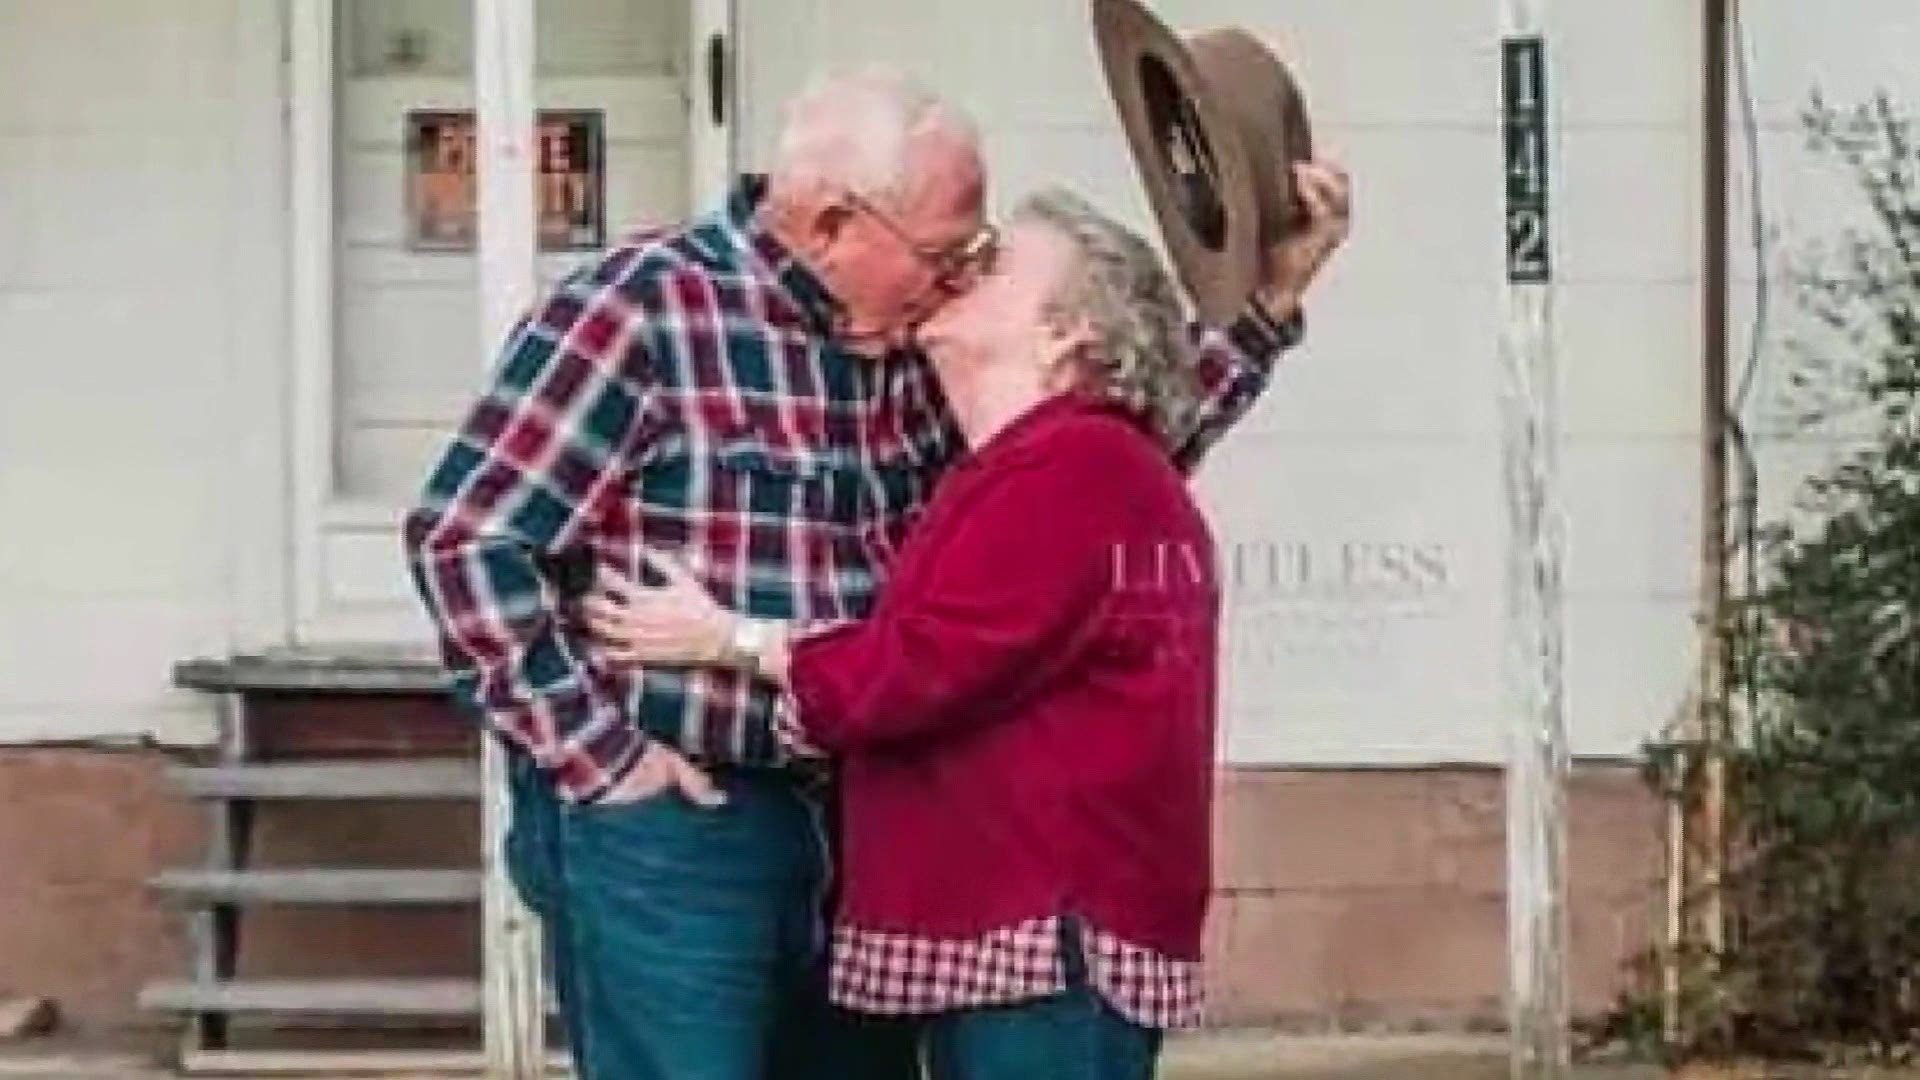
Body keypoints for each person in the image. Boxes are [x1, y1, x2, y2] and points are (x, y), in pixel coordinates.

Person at [404, 66, 1349, 1080]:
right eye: (945, 254)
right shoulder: (641, 311)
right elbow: (468, 540)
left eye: (978, 260)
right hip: (684, 823)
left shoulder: (910, 345)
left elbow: (1087, 455)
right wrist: (606, 763)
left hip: (860, 813)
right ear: (831, 225)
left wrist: (1265, 309)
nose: (958, 280)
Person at [587, 188, 1234, 1079]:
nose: (964, 269)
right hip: (1039, 940)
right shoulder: (1085, 467)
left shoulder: (1069, 468)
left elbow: (922, 667)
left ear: (1068, 336)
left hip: (1045, 946)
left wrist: (726, 638)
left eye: (997, 263)